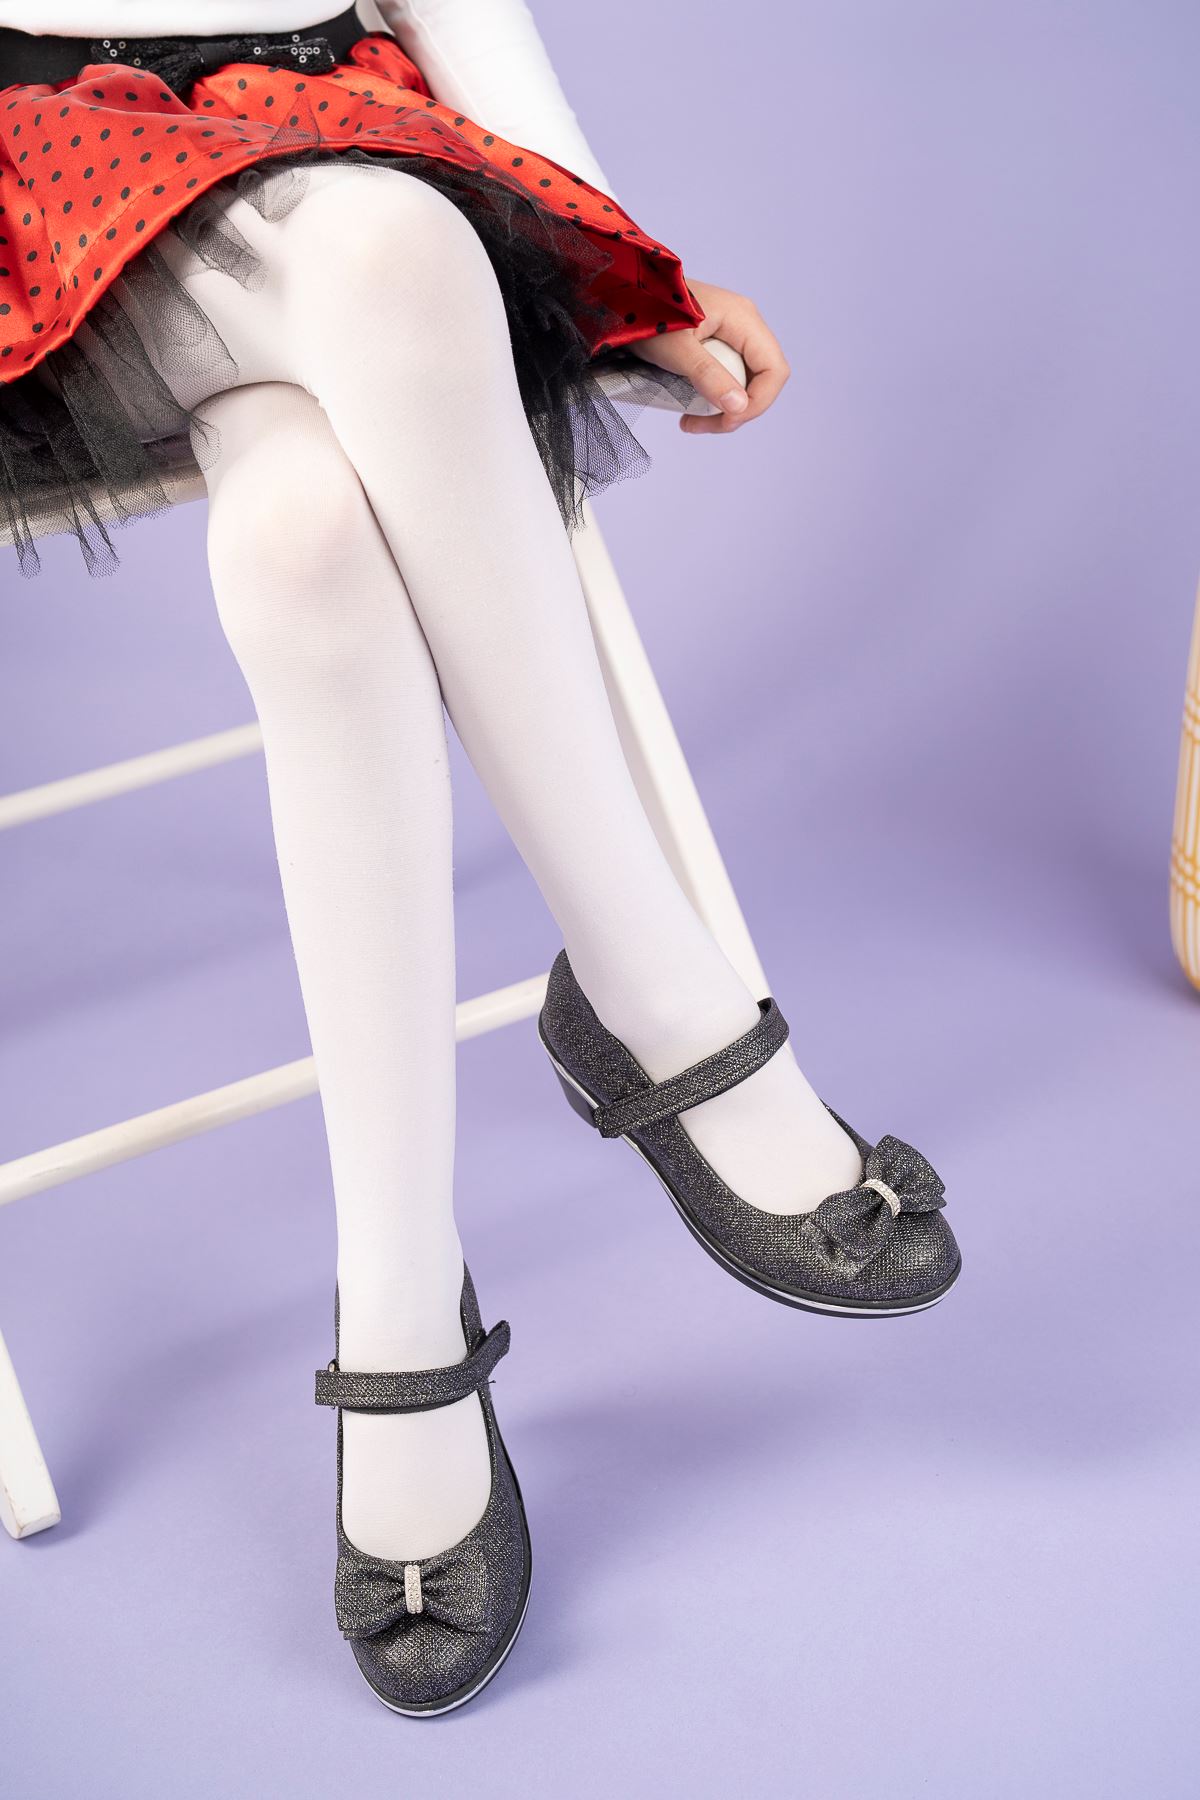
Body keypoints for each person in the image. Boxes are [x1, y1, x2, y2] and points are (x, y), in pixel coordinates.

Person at [0, 0, 960, 1715]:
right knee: (376, 254)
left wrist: (634, 255)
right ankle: (662, 1000)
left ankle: (400, 1312)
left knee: (309, 515)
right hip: (44, 177)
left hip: (333, 132)